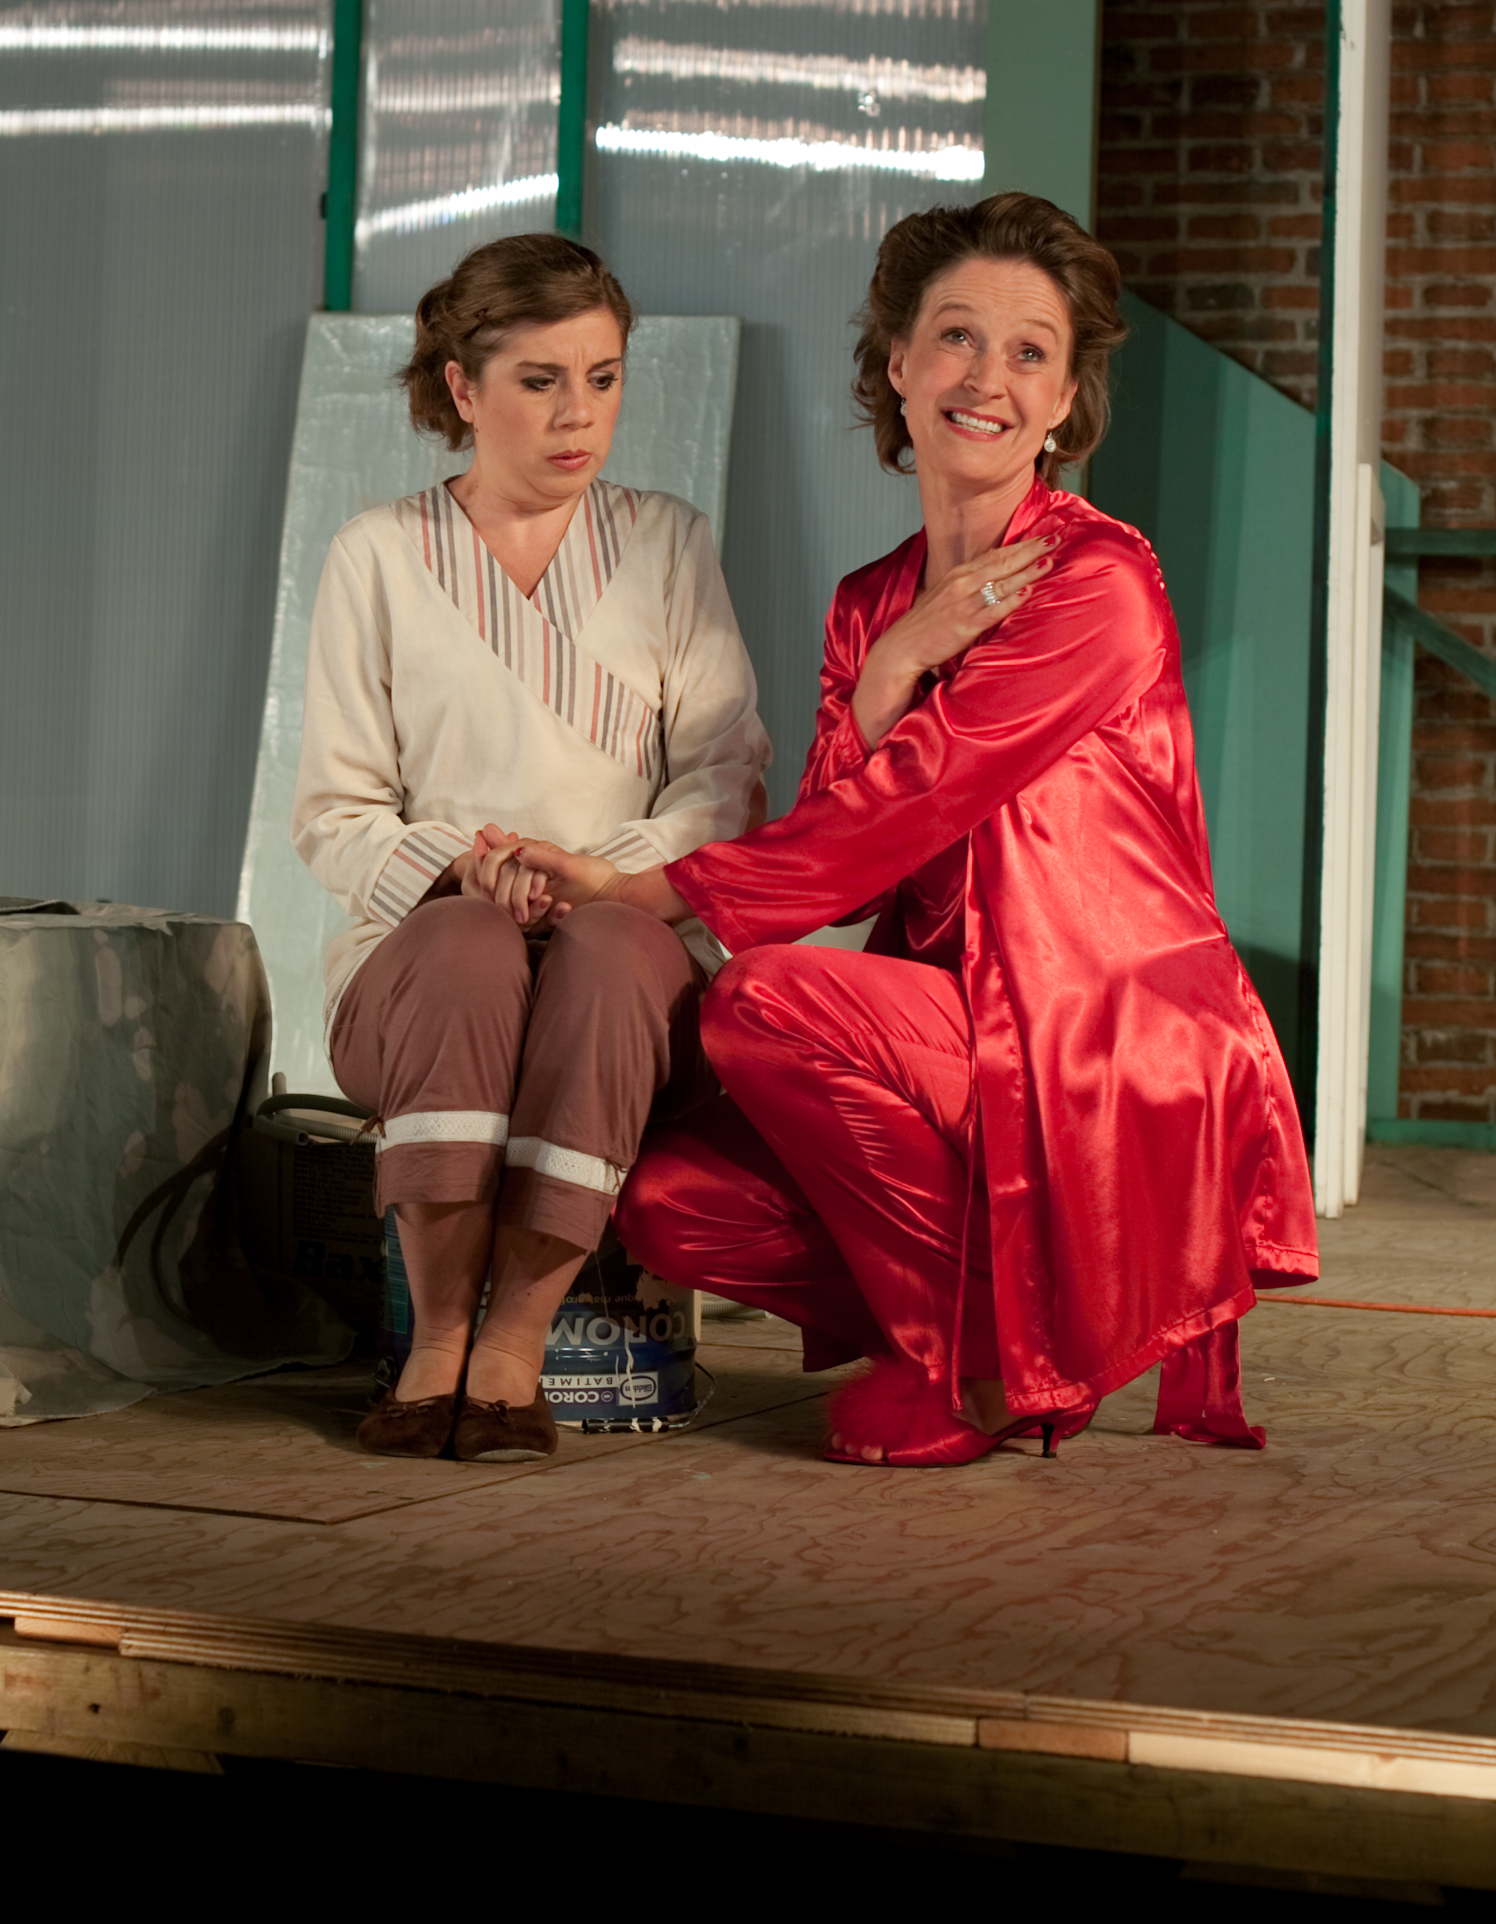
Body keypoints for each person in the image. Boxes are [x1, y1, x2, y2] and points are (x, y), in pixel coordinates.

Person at [512, 192, 1320, 1468]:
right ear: (897, 364)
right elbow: (841, 852)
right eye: (954, 336)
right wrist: (889, 664)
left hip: (1094, 1034)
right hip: (951, 1026)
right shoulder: (870, 602)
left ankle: (984, 1368)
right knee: (671, 1204)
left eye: (1027, 352)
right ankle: (1000, 1327)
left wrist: (635, 891)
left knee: (762, 1006)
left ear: (1062, 400)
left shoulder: (1096, 583)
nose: (985, 377)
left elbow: (893, 812)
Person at [291, 233, 771, 1462]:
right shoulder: (377, 555)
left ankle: (510, 1351)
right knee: (467, 944)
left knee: (604, 953)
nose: (578, 415)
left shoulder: (666, 542)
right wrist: (466, 870)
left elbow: (724, 778)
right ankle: (436, 1344)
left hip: (625, 943)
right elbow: (335, 812)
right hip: (428, 962)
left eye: (602, 379)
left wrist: (599, 878)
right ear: (461, 386)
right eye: (540, 380)